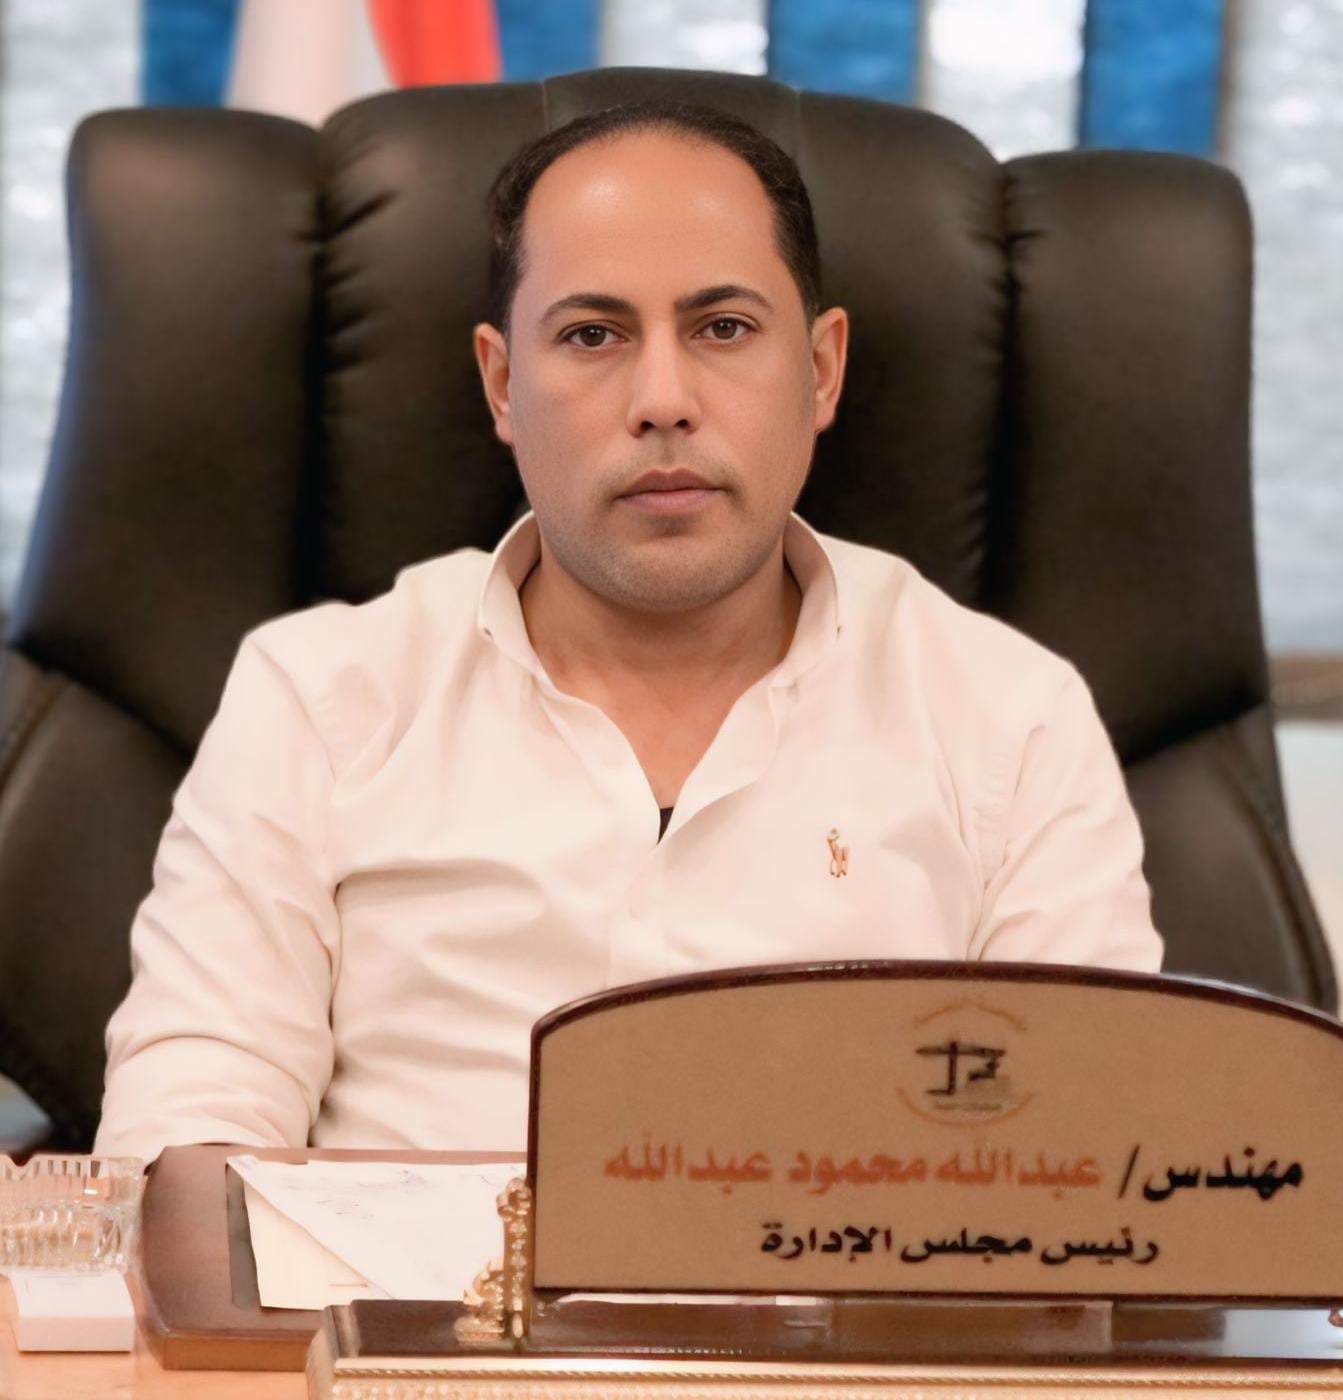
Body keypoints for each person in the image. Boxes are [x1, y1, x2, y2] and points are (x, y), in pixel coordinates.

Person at [94, 100, 1162, 1163]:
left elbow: (1086, 1160)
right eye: (592, 335)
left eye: (723, 327)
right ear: (502, 384)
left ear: (823, 369)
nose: (662, 399)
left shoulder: (1007, 717)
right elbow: (186, 1137)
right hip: (395, 1279)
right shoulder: (321, 698)